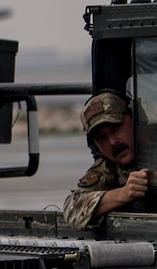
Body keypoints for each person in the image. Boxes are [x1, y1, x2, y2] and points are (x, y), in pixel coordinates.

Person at [62, 91, 150, 228]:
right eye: (101, 138)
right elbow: (72, 208)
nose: (112, 142)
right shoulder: (108, 167)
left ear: (135, 119)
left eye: (116, 127)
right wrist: (123, 193)